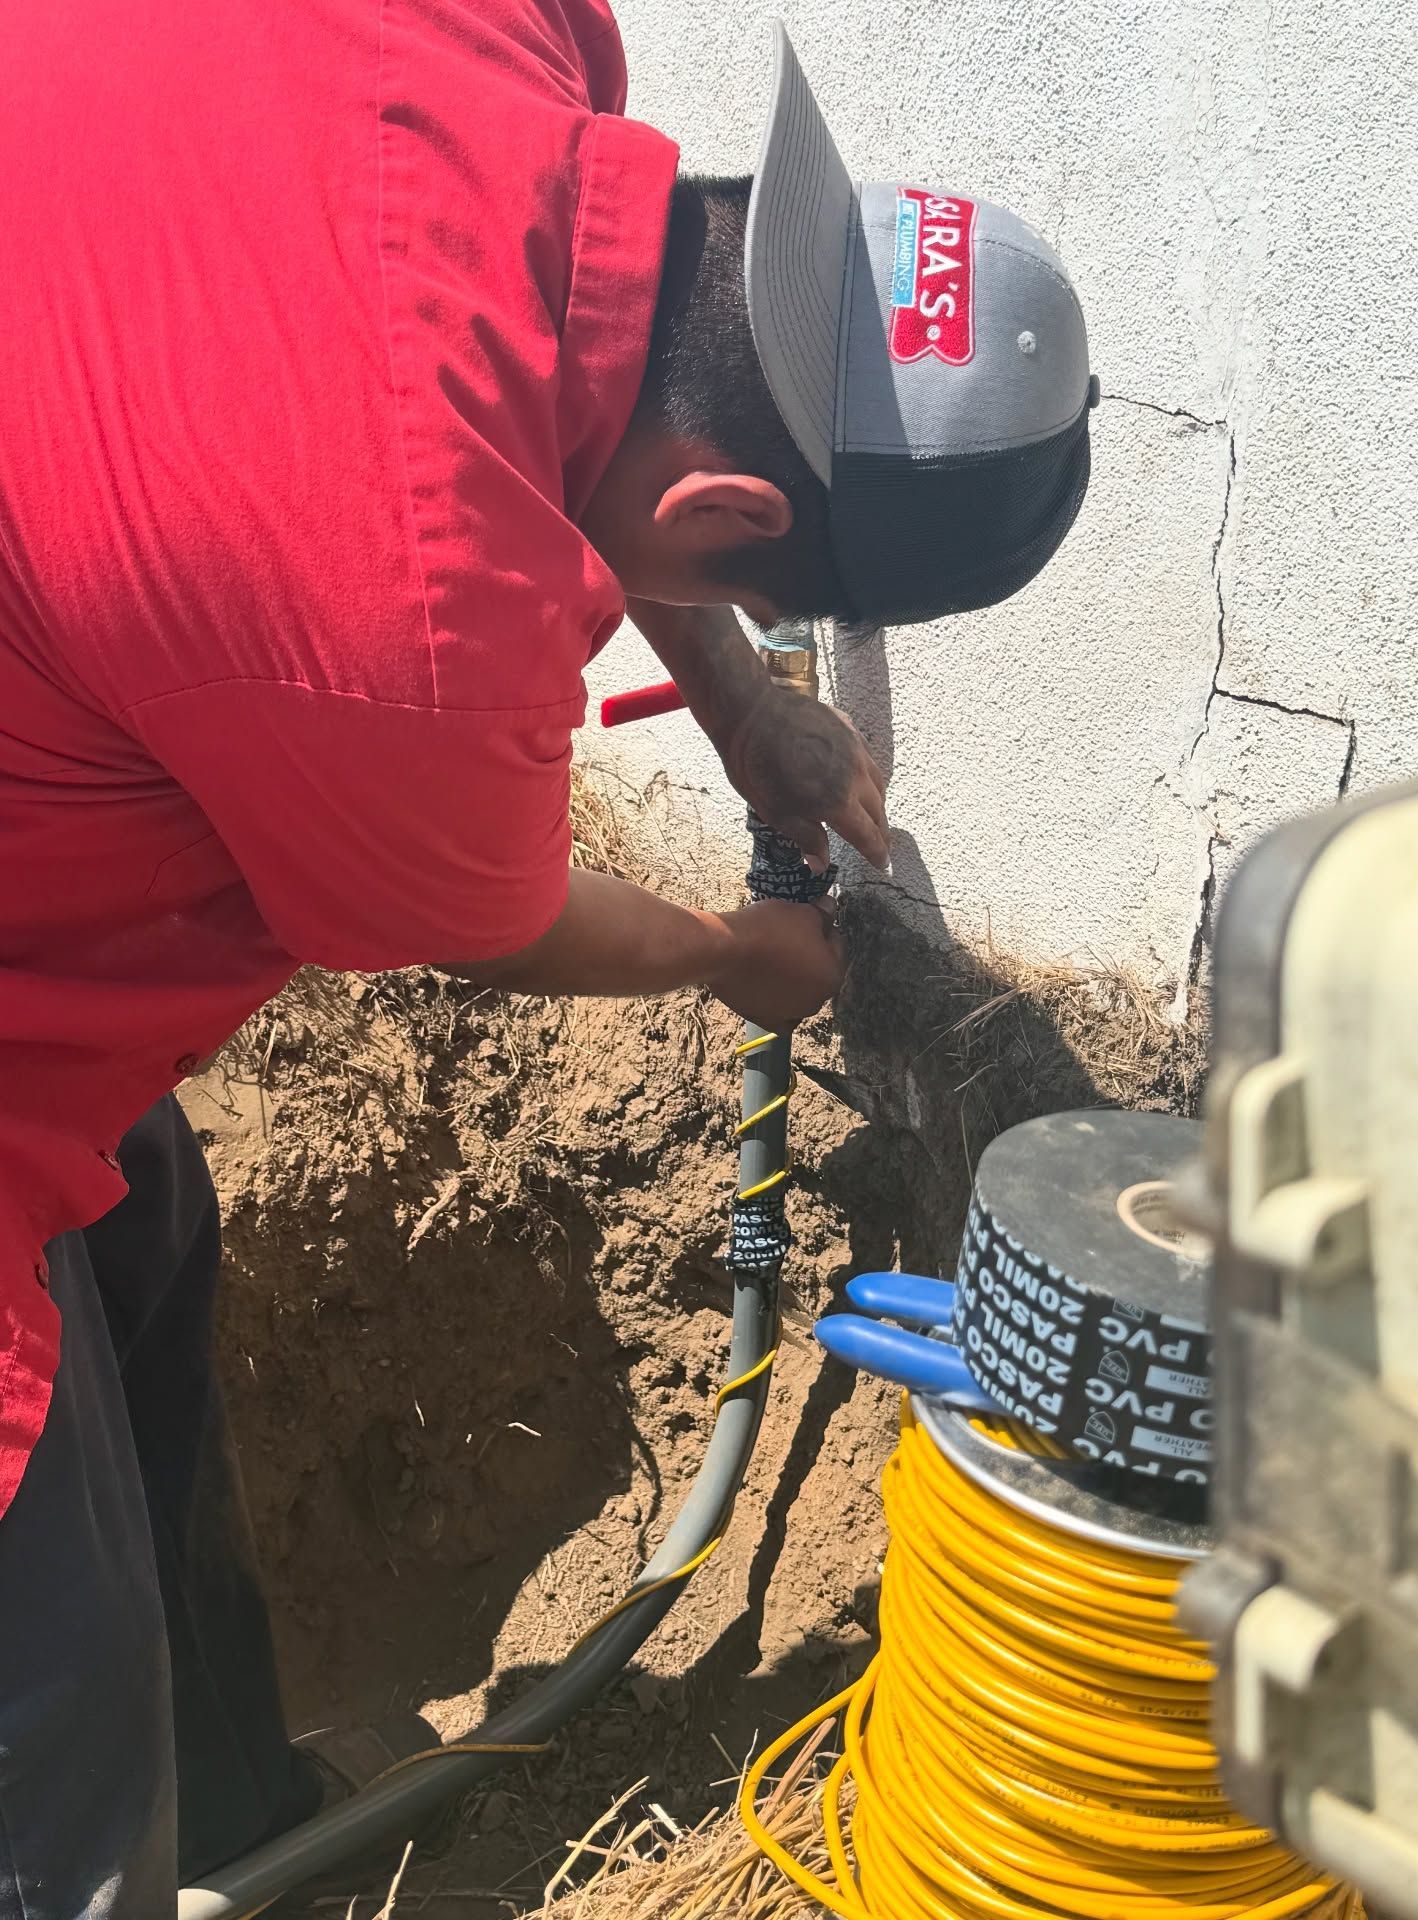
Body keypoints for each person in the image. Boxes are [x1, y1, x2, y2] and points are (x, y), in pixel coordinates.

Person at [0, 0, 1096, 1910]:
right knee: (50, 1734)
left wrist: (740, 692)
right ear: (728, 517)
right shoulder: (406, 617)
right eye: (749, 590)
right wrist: (725, 952)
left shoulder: (495, 31)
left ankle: (250, 1815)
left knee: (141, 1227)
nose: (721, 616)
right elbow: (493, 920)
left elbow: (625, 448)